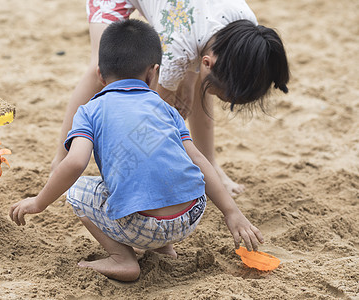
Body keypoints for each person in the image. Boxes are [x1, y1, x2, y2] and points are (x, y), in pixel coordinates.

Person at [10, 19, 264, 282]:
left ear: (100, 74)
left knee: (78, 191)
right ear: (152, 73)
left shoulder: (89, 110)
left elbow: (75, 164)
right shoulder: (166, 109)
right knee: (161, 170)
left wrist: (38, 202)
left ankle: (122, 259)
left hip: (141, 225)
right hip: (190, 216)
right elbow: (198, 159)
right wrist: (231, 212)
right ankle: (164, 249)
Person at [51, 0, 290, 197]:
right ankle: (60, 164)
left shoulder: (245, 29)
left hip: (183, 16)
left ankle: (209, 164)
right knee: (101, 67)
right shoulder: (178, 47)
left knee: (200, 82)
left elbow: (197, 62)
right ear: (206, 62)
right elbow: (151, 113)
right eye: (223, 96)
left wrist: (189, 79)